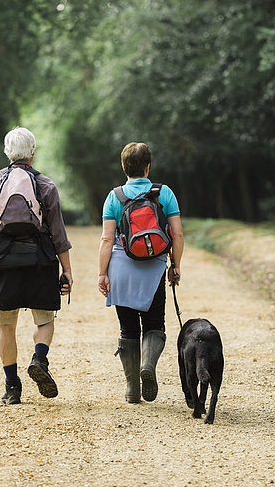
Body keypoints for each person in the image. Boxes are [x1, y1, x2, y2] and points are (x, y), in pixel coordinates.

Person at [0, 127, 73, 405]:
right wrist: (67, 271)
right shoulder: (45, 185)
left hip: (3, 262)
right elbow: (59, 235)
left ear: (7, 152)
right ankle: (39, 358)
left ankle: (12, 387)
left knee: (5, 326)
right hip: (40, 260)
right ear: (32, 153)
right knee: (45, 320)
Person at [98, 142, 184, 404]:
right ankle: (148, 364)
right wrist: (175, 266)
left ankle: (132, 389)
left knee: (128, 328)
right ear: (148, 166)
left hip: (122, 267)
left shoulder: (114, 196)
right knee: (154, 323)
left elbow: (106, 239)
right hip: (154, 268)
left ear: (124, 167)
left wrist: (102, 273)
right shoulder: (164, 192)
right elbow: (177, 233)